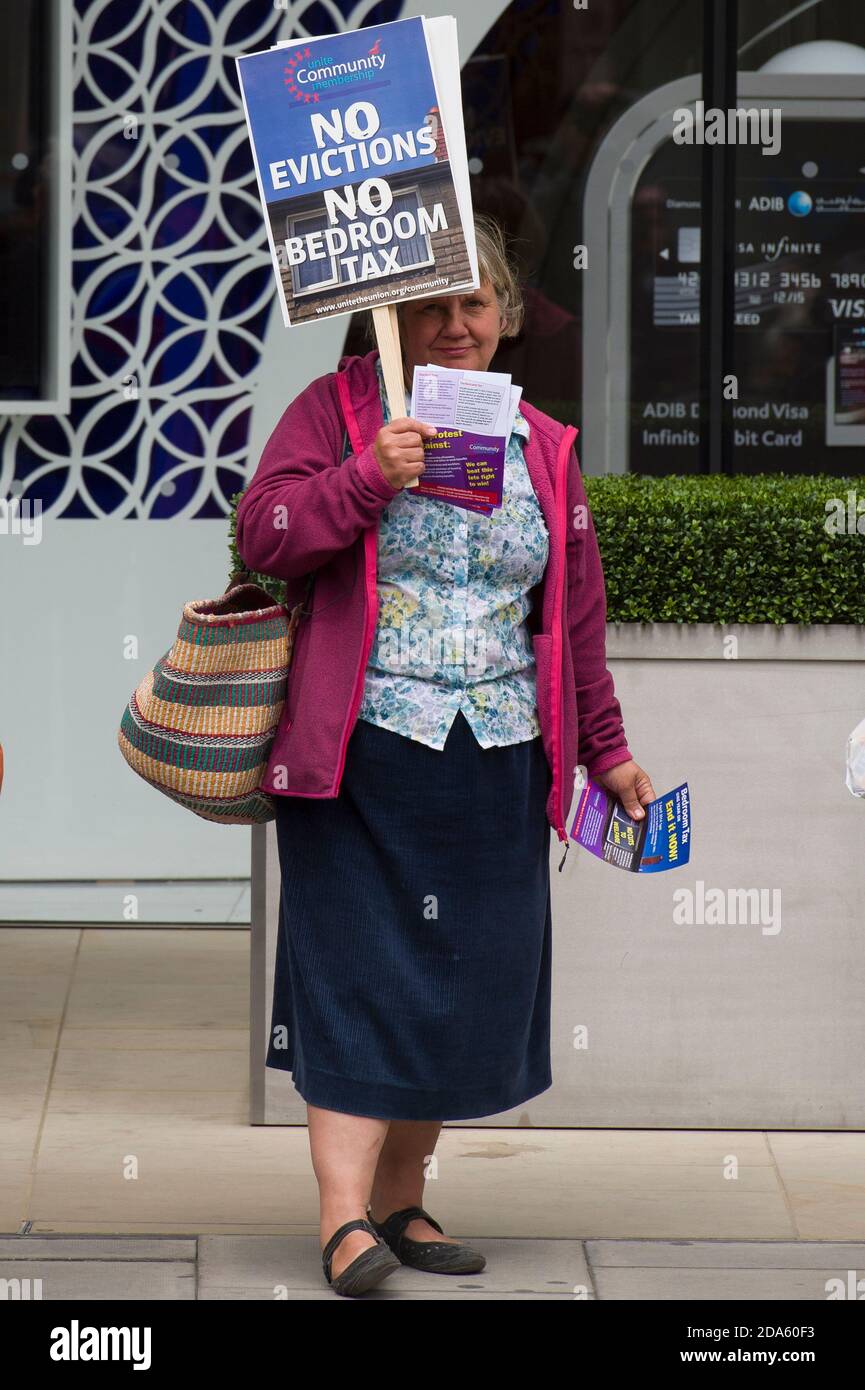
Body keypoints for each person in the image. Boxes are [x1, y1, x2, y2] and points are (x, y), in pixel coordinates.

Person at [235, 213, 654, 1297]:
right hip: (363, 753)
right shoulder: (336, 413)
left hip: (498, 756)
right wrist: (365, 478)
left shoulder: (543, 445)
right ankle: (341, 1218)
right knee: (356, 971)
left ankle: (403, 1197)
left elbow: (572, 617)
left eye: (473, 302)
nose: (454, 323)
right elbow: (265, 534)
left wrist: (604, 752)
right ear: (390, 318)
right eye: (430, 305)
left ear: (505, 316)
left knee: (456, 981)